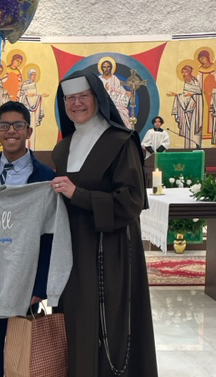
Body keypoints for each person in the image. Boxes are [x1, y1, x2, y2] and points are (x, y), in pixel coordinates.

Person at [50, 72, 158, 377]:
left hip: (109, 253)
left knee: (108, 326)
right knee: (75, 323)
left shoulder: (121, 142)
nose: (76, 103)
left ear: (98, 97)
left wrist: (79, 194)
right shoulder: (63, 148)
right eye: (69, 98)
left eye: (83, 95)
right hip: (71, 254)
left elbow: (132, 201)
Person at [0, 101, 55, 377]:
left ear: (28, 131)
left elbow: (50, 237)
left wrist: (40, 286)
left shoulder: (46, 178)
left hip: (27, 276)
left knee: (27, 346)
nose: (11, 131)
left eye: (18, 125)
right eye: (4, 126)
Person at [168, 65, 203, 148]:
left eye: (186, 72)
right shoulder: (186, 82)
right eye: (183, 72)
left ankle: (194, 146)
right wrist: (178, 96)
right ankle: (188, 147)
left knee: (194, 129)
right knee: (188, 130)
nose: (184, 74)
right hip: (187, 111)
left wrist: (179, 96)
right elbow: (186, 96)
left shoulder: (195, 82)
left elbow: (197, 95)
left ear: (190, 72)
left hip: (194, 111)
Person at [17, 68, 49, 149]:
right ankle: (23, 148)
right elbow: (20, 95)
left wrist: (40, 96)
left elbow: (34, 96)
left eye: (35, 75)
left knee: (32, 129)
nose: (34, 77)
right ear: (29, 75)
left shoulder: (34, 84)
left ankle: (32, 148)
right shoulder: (25, 84)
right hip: (25, 110)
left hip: (33, 111)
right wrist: (27, 95)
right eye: (32, 75)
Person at [98, 59, 131, 128]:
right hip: (102, 103)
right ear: (101, 68)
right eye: (104, 67)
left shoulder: (114, 78)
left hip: (115, 103)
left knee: (121, 115)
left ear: (111, 68)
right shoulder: (98, 79)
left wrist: (125, 93)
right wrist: (106, 90)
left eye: (108, 67)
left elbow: (119, 89)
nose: (106, 69)